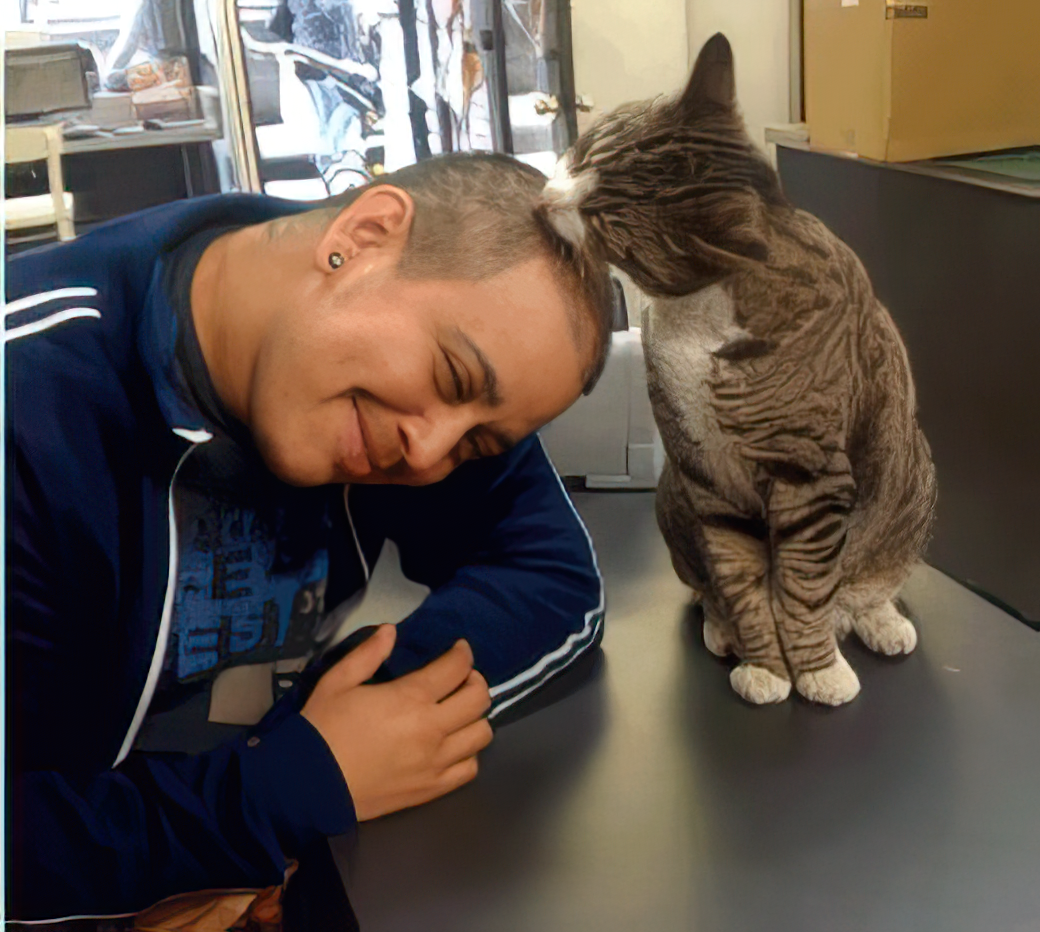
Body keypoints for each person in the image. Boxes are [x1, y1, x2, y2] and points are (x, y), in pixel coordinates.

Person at [5, 152, 614, 920]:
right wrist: (265, 800)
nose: (429, 455)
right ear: (363, 236)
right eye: (454, 376)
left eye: (477, 446)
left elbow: (555, 575)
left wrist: (318, 758)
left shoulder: (399, 380)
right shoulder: (28, 415)